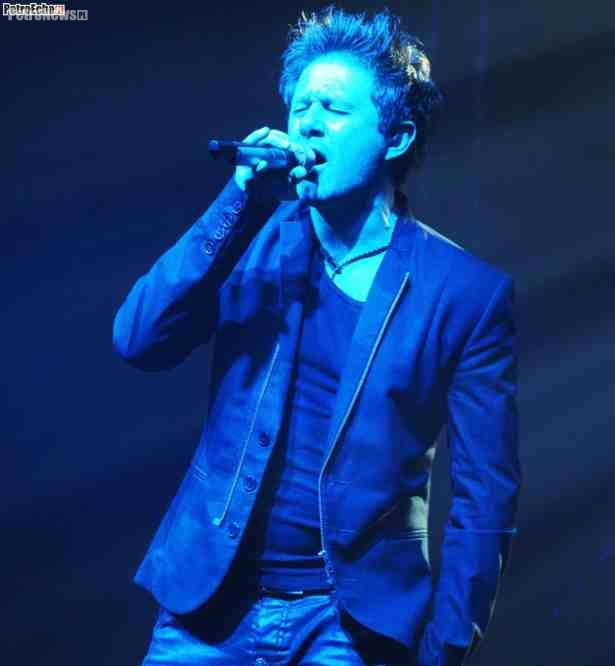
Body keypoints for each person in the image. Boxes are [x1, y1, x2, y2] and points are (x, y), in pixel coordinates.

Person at [112, 6, 521, 666]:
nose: (306, 123)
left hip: (346, 626)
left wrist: (445, 648)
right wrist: (239, 200)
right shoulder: (248, 239)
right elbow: (139, 339)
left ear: (395, 138)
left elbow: (485, 493)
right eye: (300, 105)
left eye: (333, 109)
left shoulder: (464, 292)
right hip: (205, 615)